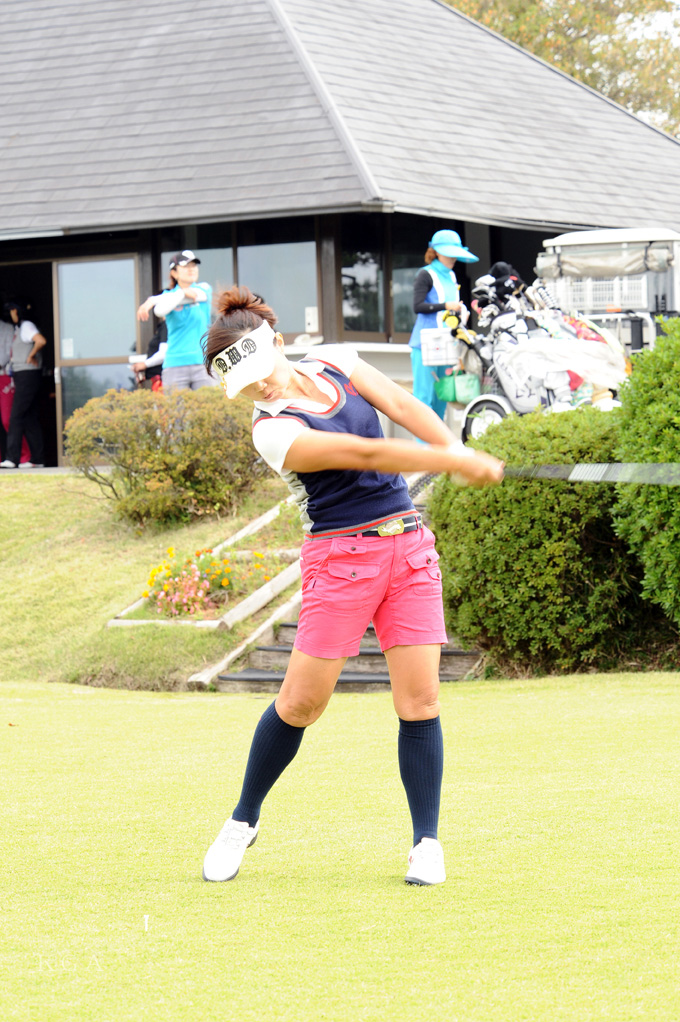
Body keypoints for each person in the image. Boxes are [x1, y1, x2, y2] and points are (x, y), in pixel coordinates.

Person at [200, 286, 504, 887]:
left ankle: (426, 843)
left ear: (277, 344)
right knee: (301, 704)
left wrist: (453, 447)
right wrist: (452, 464)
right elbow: (362, 453)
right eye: (246, 387)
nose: (260, 389)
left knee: (420, 701)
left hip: (408, 548)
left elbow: (401, 403)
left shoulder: (335, 359)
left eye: (262, 373)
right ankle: (242, 819)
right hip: (341, 560)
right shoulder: (271, 430)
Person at [409, 229, 479, 421]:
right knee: (423, 398)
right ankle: (421, 440)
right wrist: (445, 306)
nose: (453, 258)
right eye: (449, 254)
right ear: (437, 252)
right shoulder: (425, 274)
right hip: (425, 345)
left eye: (455, 254)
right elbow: (417, 306)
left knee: (443, 394)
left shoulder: (452, 276)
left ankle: (438, 438)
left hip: (447, 343)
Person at [136, 250, 216, 391]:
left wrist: (153, 300)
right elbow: (159, 310)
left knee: (209, 404)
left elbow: (199, 295)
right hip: (174, 364)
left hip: (203, 363)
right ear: (174, 273)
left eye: (194, 265)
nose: (191, 269)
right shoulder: (167, 295)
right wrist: (181, 293)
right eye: (186, 266)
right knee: (176, 406)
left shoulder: (204, 288)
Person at [0, 301, 46, 469]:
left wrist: (31, 356)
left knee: (16, 416)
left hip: (27, 374)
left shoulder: (26, 326)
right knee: (29, 417)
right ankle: (38, 459)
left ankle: (12, 458)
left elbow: (40, 340)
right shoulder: (20, 328)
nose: (11, 313)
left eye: (13, 310)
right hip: (22, 375)